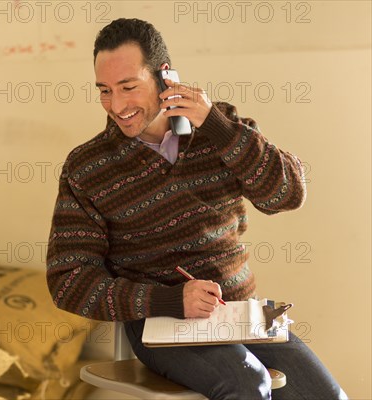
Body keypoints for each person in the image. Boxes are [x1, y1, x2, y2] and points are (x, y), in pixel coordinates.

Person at [46, 18, 346, 400]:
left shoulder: (221, 128)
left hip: (240, 315)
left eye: (128, 87)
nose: (116, 106)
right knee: (249, 384)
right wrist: (169, 300)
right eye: (104, 90)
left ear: (165, 77)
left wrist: (218, 126)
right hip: (161, 323)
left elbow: (286, 195)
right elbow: (69, 281)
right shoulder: (88, 167)